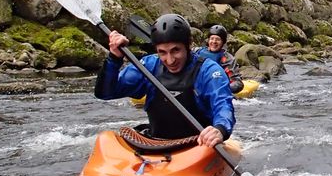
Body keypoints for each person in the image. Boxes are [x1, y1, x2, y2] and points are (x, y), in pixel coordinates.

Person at [94, 13, 235, 147]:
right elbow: (106, 93)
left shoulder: (209, 71)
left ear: (188, 45)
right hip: (156, 143)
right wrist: (114, 58)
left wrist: (220, 129)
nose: (170, 60)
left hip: (198, 146)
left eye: (176, 50)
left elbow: (223, 105)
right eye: (162, 52)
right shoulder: (149, 66)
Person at [195, 24, 244, 94]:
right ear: (208, 40)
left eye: (217, 39)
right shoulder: (197, 51)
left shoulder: (228, 59)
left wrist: (223, 89)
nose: (214, 42)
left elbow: (237, 81)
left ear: (223, 42)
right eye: (212, 39)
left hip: (215, 89)